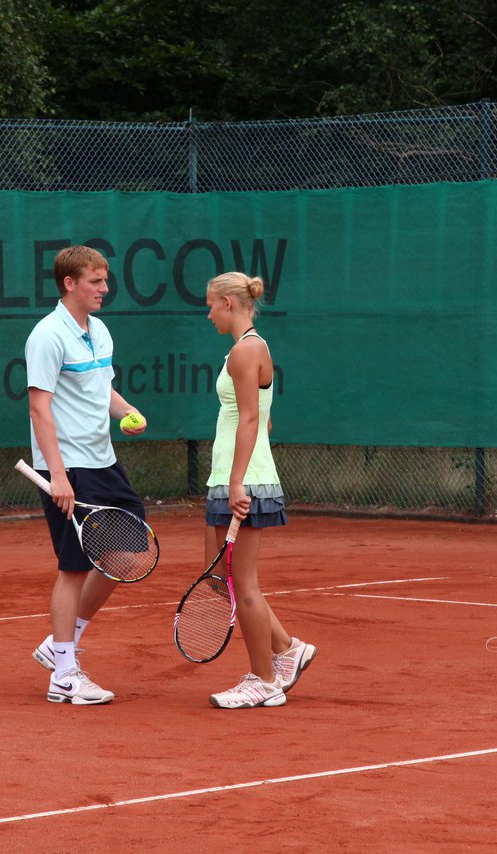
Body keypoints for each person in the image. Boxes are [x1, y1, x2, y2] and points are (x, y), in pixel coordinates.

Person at [25, 245, 148, 705]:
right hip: (69, 465)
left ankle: (60, 644)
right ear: (69, 284)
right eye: (95, 282)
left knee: (128, 553)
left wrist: (126, 411)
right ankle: (63, 675)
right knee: (74, 567)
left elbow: (104, 388)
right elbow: (39, 407)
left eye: (105, 280)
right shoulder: (47, 335)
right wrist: (58, 475)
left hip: (104, 461)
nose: (104, 289)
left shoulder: (99, 330)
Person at [202, 271, 316, 709]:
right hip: (228, 475)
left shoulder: (245, 351)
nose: (208, 313)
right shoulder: (250, 350)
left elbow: (251, 419)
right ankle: (287, 648)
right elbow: (264, 418)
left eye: (211, 304)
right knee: (218, 577)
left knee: (241, 583)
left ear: (229, 304)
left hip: (242, 480)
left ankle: (264, 679)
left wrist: (236, 481)